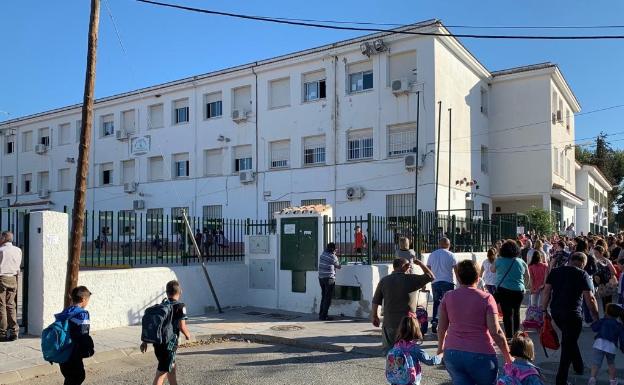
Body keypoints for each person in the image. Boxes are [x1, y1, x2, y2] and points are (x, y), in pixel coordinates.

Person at [437, 259, 512, 384]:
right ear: (478, 277)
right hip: (481, 353)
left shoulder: (448, 296)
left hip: (452, 353)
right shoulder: (486, 298)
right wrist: (508, 356)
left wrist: (441, 348)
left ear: (458, 277)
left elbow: (441, 328)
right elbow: (496, 332)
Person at [541, 252, 600, 385]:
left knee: (569, 340)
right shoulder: (582, 274)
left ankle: (578, 366)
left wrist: (544, 310)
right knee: (567, 344)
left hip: (557, 312)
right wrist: (595, 316)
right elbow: (589, 298)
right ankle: (560, 380)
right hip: (573, 314)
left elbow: (546, 291)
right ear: (583, 264)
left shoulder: (555, 271)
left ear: (569, 260)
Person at [372, 257, 434, 352]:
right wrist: (421, 263)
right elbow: (431, 276)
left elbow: (376, 301)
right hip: (408, 324)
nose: (410, 268)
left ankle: (392, 366)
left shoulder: (384, 280)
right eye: (408, 266)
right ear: (404, 266)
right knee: (407, 351)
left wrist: (374, 316)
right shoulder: (412, 279)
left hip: (389, 322)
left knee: (389, 351)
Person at [141, 280, 191, 385]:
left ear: (167, 293)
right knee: (161, 373)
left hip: (158, 344)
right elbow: (182, 326)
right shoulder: (180, 306)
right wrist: (188, 335)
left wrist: (144, 341)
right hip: (169, 344)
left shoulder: (162, 305)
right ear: (180, 291)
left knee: (171, 367)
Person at [386, 314, 442, 385]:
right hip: (411, 381)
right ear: (416, 330)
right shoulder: (414, 349)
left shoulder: (396, 345)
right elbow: (430, 361)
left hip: (396, 380)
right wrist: (441, 355)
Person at [56, 286, 95, 385]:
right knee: (78, 376)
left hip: (62, 352)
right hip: (73, 353)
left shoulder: (66, 311)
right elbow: (83, 334)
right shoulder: (82, 314)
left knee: (69, 377)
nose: (87, 302)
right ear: (83, 299)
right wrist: (88, 349)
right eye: (87, 300)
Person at [491, 239, 530, 338]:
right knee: (516, 312)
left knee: (507, 314)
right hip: (519, 291)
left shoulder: (499, 260)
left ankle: (509, 337)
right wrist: (524, 286)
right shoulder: (520, 261)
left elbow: (492, 270)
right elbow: (527, 275)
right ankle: (517, 334)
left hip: (504, 290)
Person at [426, 237, 457, 334]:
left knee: (436, 302)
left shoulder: (432, 254)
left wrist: (425, 282)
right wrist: (460, 283)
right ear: (449, 245)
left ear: (439, 244)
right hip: (448, 282)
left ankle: (435, 321)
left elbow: (428, 269)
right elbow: (456, 270)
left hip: (435, 282)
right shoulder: (451, 255)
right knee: (447, 304)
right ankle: (446, 324)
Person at [588, 303, 624, 385]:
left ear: (606, 312)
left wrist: (594, 320)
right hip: (611, 347)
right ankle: (613, 381)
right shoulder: (619, 325)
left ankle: (592, 379)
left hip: (599, 344)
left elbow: (594, 328)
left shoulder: (603, 321)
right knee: (611, 364)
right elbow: (622, 338)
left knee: (596, 363)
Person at [0, 231, 22, 341]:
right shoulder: (18, 250)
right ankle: (14, 331)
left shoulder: (1, 250)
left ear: (4, 238)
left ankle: (2, 333)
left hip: (2, 278)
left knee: (1, 306)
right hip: (13, 279)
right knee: (11, 305)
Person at [318, 243, 341, 321]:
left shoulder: (323, 254)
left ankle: (321, 314)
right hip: (329, 279)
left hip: (321, 278)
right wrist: (335, 255)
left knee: (324, 296)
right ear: (333, 249)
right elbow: (339, 266)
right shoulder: (332, 256)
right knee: (327, 298)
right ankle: (324, 316)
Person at [593, 245, 618, 313]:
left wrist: (609, 277)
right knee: (604, 302)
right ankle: (607, 315)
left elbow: (614, 271)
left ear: (601, 253)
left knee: (608, 302)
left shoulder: (606, 261)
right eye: (594, 253)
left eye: (596, 253)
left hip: (607, 284)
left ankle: (609, 316)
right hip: (602, 284)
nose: (595, 254)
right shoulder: (597, 261)